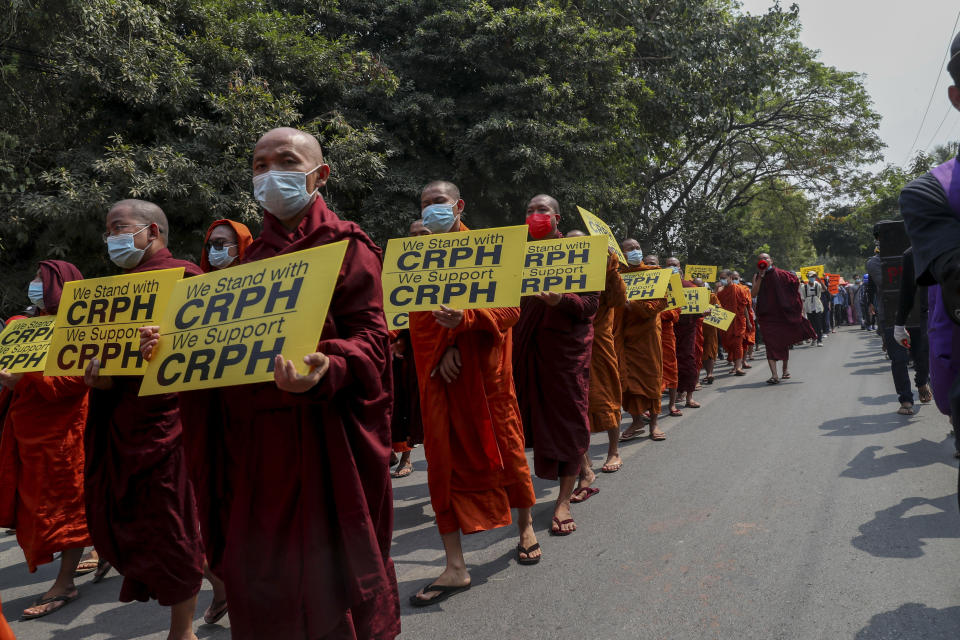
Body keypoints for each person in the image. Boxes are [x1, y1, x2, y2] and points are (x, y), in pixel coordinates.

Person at [143, 128, 401, 638]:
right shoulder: (249, 264)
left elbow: (374, 339)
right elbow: (223, 357)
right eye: (259, 165)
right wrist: (171, 348)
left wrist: (330, 365)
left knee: (334, 580)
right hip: (258, 451)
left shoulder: (348, 247)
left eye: (285, 161)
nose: (269, 174)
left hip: (327, 441)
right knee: (262, 576)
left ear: (319, 174)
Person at [407, 180, 540, 604]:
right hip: (440, 381)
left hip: (487, 379)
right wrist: (440, 352)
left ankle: (525, 528)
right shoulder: (414, 254)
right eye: (425, 204)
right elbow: (414, 315)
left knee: (511, 454)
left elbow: (510, 310)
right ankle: (455, 565)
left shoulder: (491, 251)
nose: (432, 210)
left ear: (459, 206)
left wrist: (465, 322)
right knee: (442, 466)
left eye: (439, 202)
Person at [84, 199, 204, 640]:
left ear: (152, 232)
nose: (111, 237)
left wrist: (166, 349)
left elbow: (206, 351)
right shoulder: (118, 289)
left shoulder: (186, 278)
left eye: (120, 227)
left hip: (168, 419)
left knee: (171, 524)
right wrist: (99, 378)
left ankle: (182, 631)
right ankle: (222, 587)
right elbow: (111, 365)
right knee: (146, 523)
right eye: (108, 230)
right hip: (124, 420)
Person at [0, 261, 92, 620]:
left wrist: (25, 376)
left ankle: (65, 581)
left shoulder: (79, 329)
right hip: (24, 434)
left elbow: (72, 384)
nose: (34, 284)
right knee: (34, 509)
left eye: (43, 279)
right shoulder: (20, 325)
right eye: (35, 277)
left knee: (67, 508)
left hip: (62, 436)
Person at [513, 195, 599, 527]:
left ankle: (562, 503)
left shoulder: (579, 254)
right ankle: (572, 473)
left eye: (542, 210)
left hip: (565, 353)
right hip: (526, 350)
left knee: (569, 423)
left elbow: (591, 305)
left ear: (557, 217)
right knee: (525, 421)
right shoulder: (516, 254)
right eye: (530, 210)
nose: (535, 215)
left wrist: (561, 299)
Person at [192, 218, 254, 626]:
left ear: (243, 247)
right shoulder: (190, 293)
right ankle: (224, 588)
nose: (216, 251)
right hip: (203, 418)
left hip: (251, 418)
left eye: (225, 244)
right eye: (211, 244)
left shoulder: (261, 285)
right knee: (208, 510)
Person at [567, 230, 626, 473]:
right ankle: (583, 456)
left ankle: (613, 451)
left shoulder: (605, 271)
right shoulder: (563, 269)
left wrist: (610, 265)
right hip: (569, 344)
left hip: (599, 343)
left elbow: (619, 300)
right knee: (573, 402)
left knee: (606, 396)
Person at [617, 242, 668, 441]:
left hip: (647, 337)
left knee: (651, 379)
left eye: (637, 247)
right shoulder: (618, 275)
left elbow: (659, 304)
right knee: (627, 382)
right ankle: (637, 420)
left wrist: (633, 304)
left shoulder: (654, 273)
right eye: (629, 249)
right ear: (622, 253)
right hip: (624, 337)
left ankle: (654, 424)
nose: (635, 251)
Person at [390, 219, 429, 478]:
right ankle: (403, 455)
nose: (416, 238)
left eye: (423, 233)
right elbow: (394, 308)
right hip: (406, 349)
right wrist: (397, 338)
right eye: (412, 234)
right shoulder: (399, 266)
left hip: (435, 347)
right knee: (403, 404)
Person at [751, 253, 815, 384]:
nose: (763, 260)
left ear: (771, 260)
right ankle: (774, 375)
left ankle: (785, 369)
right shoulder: (758, 276)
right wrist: (761, 277)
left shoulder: (782, 274)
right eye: (760, 259)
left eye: (766, 258)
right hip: (767, 316)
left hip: (782, 315)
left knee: (784, 342)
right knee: (770, 344)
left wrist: (791, 305)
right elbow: (753, 293)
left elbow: (794, 286)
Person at [886, 247, 932, 416]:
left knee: (923, 356)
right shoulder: (877, 263)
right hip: (892, 313)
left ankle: (921, 382)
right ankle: (905, 399)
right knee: (899, 359)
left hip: (922, 313)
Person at [647, 254, 682, 416]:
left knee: (671, 369)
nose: (650, 266)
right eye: (646, 263)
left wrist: (654, 313)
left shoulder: (670, 285)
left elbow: (676, 312)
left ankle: (672, 405)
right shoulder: (638, 284)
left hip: (666, 334)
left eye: (653, 263)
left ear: (659, 266)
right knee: (650, 372)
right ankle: (652, 407)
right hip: (644, 335)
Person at [667, 257, 700, 408]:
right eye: (668, 265)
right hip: (668, 329)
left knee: (688, 360)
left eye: (674, 265)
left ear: (680, 267)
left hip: (687, 329)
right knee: (671, 362)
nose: (672, 267)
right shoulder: (661, 286)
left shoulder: (690, 286)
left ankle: (689, 396)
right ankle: (678, 393)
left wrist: (703, 312)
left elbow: (698, 310)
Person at [717, 269, 751, 375]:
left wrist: (748, 321)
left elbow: (744, 306)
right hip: (725, 321)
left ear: (730, 278)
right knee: (728, 344)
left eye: (724, 278)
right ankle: (735, 365)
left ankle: (738, 367)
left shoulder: (739, 289)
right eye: (720, 278)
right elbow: (716, 305)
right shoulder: (720, 291)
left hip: (738, 321)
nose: (722, 280)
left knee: (737, 344)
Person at [701, 281, 721, 384]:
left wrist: (711, 309)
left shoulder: (712, 296)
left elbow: (719, 308)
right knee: (700, 351)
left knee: (710, 351)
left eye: (701, 286)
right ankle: (704, 374)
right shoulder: (691, 295)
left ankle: (709, 373)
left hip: (710, 327)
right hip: (697, 327)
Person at [800, 271, 825, 346]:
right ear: (808, 277)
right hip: (809, 307)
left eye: (814, 277)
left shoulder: (817, 285)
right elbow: (803, 298)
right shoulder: (804, 287)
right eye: (811, 277)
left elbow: (825, 289)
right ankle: (814, 338)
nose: (812, 278)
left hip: (817, 306)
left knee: (818, 324)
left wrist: (820, 280)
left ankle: (819, 340)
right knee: (812, 324)